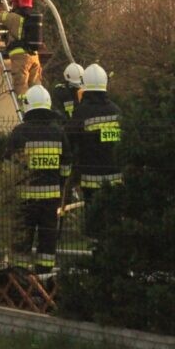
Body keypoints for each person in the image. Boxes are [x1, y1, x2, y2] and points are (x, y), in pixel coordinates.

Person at [6, 85, 71, 274]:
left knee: (22, 240)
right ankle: (45, 278)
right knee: (48, 239)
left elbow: (9, 165)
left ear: (28, 105)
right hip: (51, 199)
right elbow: (66, 166)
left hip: (24, 200)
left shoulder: (19, 133)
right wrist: (59, 184)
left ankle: (19, 277)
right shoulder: (58, 133)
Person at [67, 64, 122, 231]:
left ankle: (95, 241)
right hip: (115, 177)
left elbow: (69, 140)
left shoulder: (82, 112)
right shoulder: (116, 111)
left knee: (94, 220)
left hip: (90, 179)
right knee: (113, 218)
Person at [0, 0, 42, 101]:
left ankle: (25, 109)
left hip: (20, 58)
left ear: (17, 3)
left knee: (21, 86)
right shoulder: (32, 17)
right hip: (34, 56)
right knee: (36, 85)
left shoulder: (13, 17)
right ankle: (39, 105)